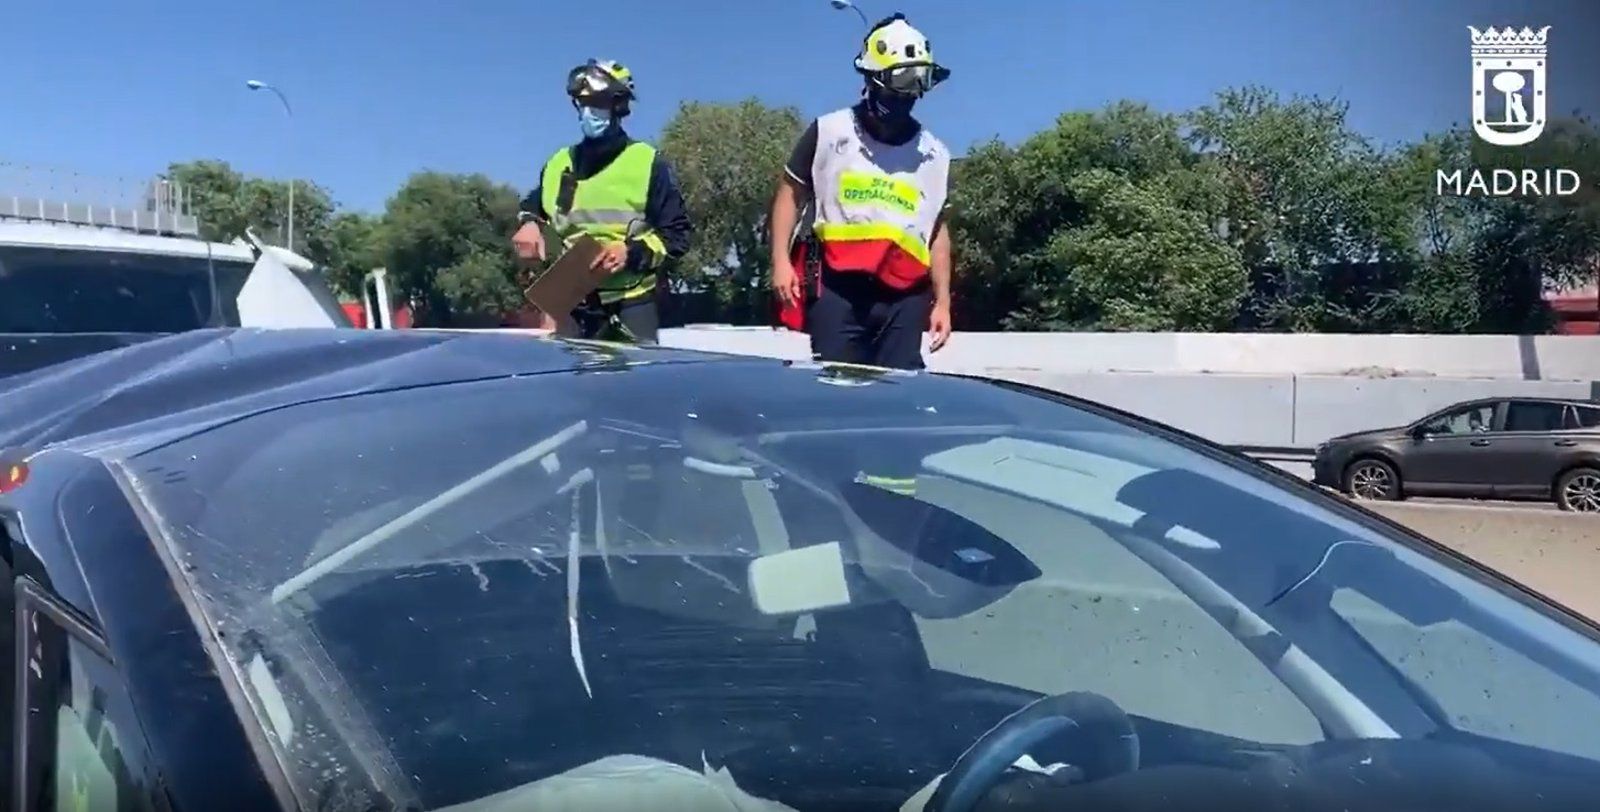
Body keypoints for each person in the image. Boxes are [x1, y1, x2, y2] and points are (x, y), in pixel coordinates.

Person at [767, 13, 954, 370]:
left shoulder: (934, 154)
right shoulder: (829, 131)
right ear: (873, 79)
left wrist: (942, 301)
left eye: (918, 83)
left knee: (900, 394)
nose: (908, 94)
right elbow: (790, 194)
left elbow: (937, 231)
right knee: (837, 389)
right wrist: (780, 262)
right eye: (901, 81)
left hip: (905, 294)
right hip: (837, 287)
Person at [512, 59, 692, 344]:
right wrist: (529, 223)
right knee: (569, 387)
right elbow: (535, 203)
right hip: (572, 302)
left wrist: (629, 252)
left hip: (630, 302)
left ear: (619, 106)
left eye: (596, 103)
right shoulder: (558, 163)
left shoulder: (647, 163)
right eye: (581, 103)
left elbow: (677, 235)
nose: (587, 112)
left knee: (633, 386)